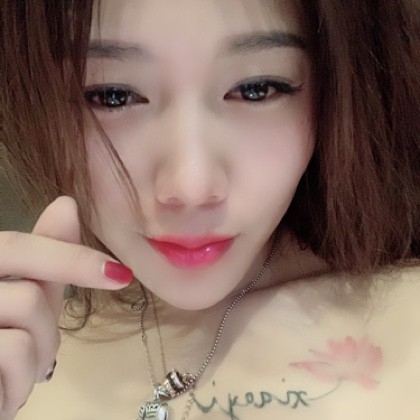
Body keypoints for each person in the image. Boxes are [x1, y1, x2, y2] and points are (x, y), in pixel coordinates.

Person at [1, 0, 420, 419]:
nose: (191, 187)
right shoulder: (22, 358)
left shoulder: (407, 325)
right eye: (112, 95)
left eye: (257, 89)